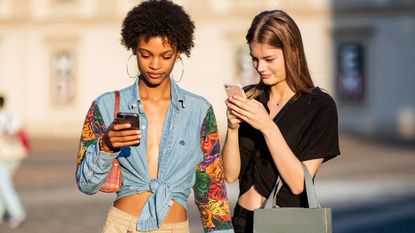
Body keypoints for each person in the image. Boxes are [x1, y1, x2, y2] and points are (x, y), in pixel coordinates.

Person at [75, 1, 234, 233]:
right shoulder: (106, 106)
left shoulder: (198, 111)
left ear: (179, 53)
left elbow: (212, 191)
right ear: (133, 49)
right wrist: (106, 146)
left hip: (174, 227)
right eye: (146, 55)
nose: (155, 65)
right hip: (121, 225)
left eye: (166, 56)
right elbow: (86, 184)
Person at [222, 10, 340, 233]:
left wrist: (267, 126)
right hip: (241, 221)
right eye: (254, 59)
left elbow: (298, 184)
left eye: (269, 59)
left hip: (285, 223)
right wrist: (232, 127)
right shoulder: (251, 97)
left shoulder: (319, 106)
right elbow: (229, 175)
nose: (260, 68)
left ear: (293, 53)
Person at [0, 95, 29, 229]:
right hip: (16, 156)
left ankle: (18, 213)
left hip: (3, 157)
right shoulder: (12, 116)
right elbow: (22, 134)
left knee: (5, 186)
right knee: (2, 184)